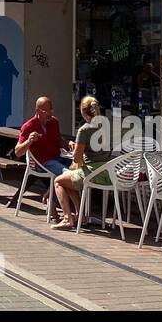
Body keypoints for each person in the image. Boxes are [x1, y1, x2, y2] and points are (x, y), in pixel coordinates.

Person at [52, 95, 111, 230]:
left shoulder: (84, 129)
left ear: (83, 112)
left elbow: (77, 159)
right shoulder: (105, 124)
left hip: (91, 173)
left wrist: (75, 151)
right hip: (107, 172)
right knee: (69, 176)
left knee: (58, 181)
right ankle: (80, 215)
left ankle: (67, 218)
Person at [15, 97, 67, 213]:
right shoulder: (28, 126)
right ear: (38, 111)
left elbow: (58, 140)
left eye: (51, 110)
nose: (49, 113)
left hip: (57, 158)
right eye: (46, 111)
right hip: (41, 162)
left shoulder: (54, 122)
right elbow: (17, 152)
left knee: (77, 168)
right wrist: (29, 141)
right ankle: (55, 206)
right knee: (68, 175)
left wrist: (69, 143)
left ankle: (50, 195)